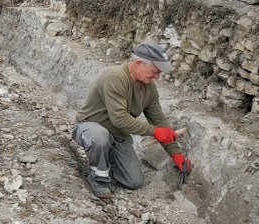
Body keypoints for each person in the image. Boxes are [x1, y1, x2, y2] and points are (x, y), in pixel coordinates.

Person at [72, 43, 192, 199]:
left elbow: (159, 120)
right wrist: (153, 132)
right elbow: (119, 118)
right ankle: (98, 179)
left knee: (134, 181)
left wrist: (175, 154)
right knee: (100, 137)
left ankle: (106, 160)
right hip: (90, 128)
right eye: (155, 71)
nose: (157, 77)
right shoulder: (115, 78)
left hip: (117, 136)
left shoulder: (149, 88)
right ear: (139, 64)